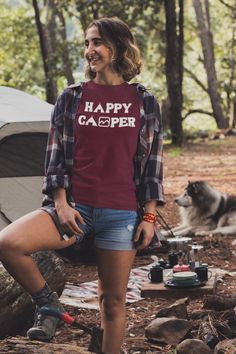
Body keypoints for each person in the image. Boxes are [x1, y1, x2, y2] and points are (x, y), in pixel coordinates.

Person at [0, 17, 164, 354]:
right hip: (75, 210)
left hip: (121, 217)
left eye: (98, 43)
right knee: (8, 243)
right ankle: (48, 303)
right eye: (88, 43)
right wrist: (60, 203)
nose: (90, 50)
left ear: (118, 47)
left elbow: (153, 165)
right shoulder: (72, 97)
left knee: (113, 302)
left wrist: (149, 216)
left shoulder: (144, 102)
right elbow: (55, 158)